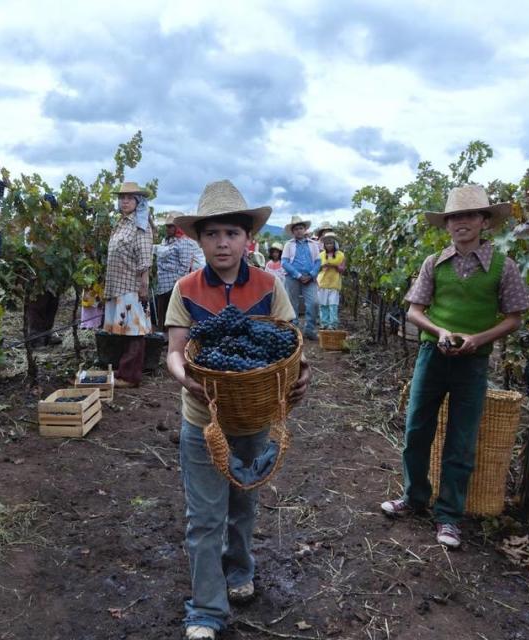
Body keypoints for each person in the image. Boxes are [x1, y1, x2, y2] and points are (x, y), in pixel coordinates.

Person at [166, 180, 312, 640]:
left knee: (244, 504)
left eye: (231, 233)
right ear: (199, 239)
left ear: (247, 239)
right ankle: (206, 610)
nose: (222, 242)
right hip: (202, 419)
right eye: (213, 234)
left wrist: (301, 372)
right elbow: (175, 350)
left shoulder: (271, 285)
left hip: (254, 417)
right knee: (204, 516)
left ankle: (239, 569)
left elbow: (289, 346)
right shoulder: (185, 288)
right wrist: (181, 374)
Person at [380, 184, 529, 548]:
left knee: (461, 442)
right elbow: (415, 311)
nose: (461, 222)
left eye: (469, 215)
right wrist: (441, 330)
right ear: (447, 225)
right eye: (454, 217)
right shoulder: (434, 263)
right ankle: (415, 498)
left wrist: (479, 339)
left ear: (483, 221)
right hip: (432, 357)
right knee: (416, 430)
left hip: (474, 363)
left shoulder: (502, 266)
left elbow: (514, 317)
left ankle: (448, 517)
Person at [103, 181, 154, 388]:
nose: (124, 201)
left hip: (131, 285)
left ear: (138, 201)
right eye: (121, 198)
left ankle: (131, 376)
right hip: (119, 283)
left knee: (134, 330)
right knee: (125, 329)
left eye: (129, 198)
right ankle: (124, 370)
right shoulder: (122, 222)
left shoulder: (140, 225)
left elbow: (144, 257)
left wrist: (143, 285)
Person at [153, 213, 202, 332]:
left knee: (172, 315)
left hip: (173, 284)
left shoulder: (184, 242)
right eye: (167, 227)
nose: (168, 229)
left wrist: (177, 285)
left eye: (171, 226)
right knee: (162, 314)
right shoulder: (167, 241)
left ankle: (171, 339)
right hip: (162, 283)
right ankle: (162, 338)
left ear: (178, 227)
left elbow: (184, 266)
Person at [281, 215, 321, 340]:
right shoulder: (289, 244)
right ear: (293, 231)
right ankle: (294, 330)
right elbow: (284, 262)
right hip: (293, 278)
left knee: (314, 303)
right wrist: (298, 275)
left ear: (305, 230)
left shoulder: (313, 244)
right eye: (296, 229)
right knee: (292, 304)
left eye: (301, 228)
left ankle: (310, 330)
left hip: (310, 278)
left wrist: (311, 275)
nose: (299, 230)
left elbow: (318, 261)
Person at [316, 233, 346, 330]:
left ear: (335, 244)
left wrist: (334, 266)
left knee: (333, 305)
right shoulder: (320, 255)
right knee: (323, 304)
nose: (329, 245)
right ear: (324, 245)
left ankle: (333, 324)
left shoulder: (341, 255)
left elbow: (342, 269)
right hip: (322, 282)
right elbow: (316, 269)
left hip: (334, 283)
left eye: (331, 243)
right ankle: (324, 323)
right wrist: (322, 266)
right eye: (327, 243)